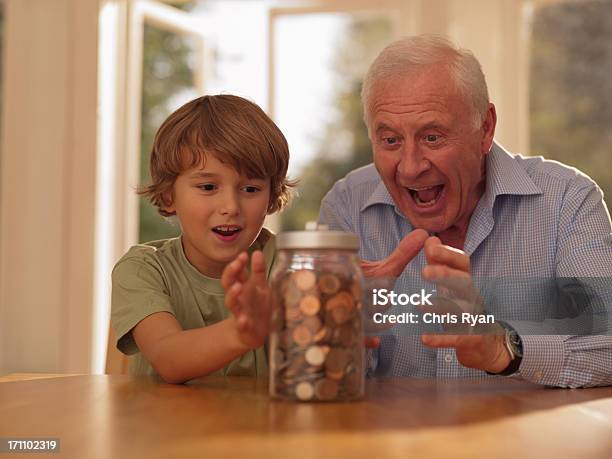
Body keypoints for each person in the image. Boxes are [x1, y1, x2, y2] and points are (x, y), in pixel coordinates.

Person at [319, 35, 612, 388]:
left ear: (485, 128)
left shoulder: (567, 200)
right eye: (391, 140)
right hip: (390, 441)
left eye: (432, 137)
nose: (410, 168)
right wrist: (343, 330)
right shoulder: (347, 206)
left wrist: (501, 348)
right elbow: (318, 369)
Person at [111, 94, 295, 383]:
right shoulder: (142, 269)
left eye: (250, 189)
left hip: (263, 427)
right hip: (163, 427)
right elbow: (167, 357)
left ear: (271, 196)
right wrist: (241, 332)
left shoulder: (289, 264)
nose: (231, 207)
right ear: (169, 195)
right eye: (208, 186)